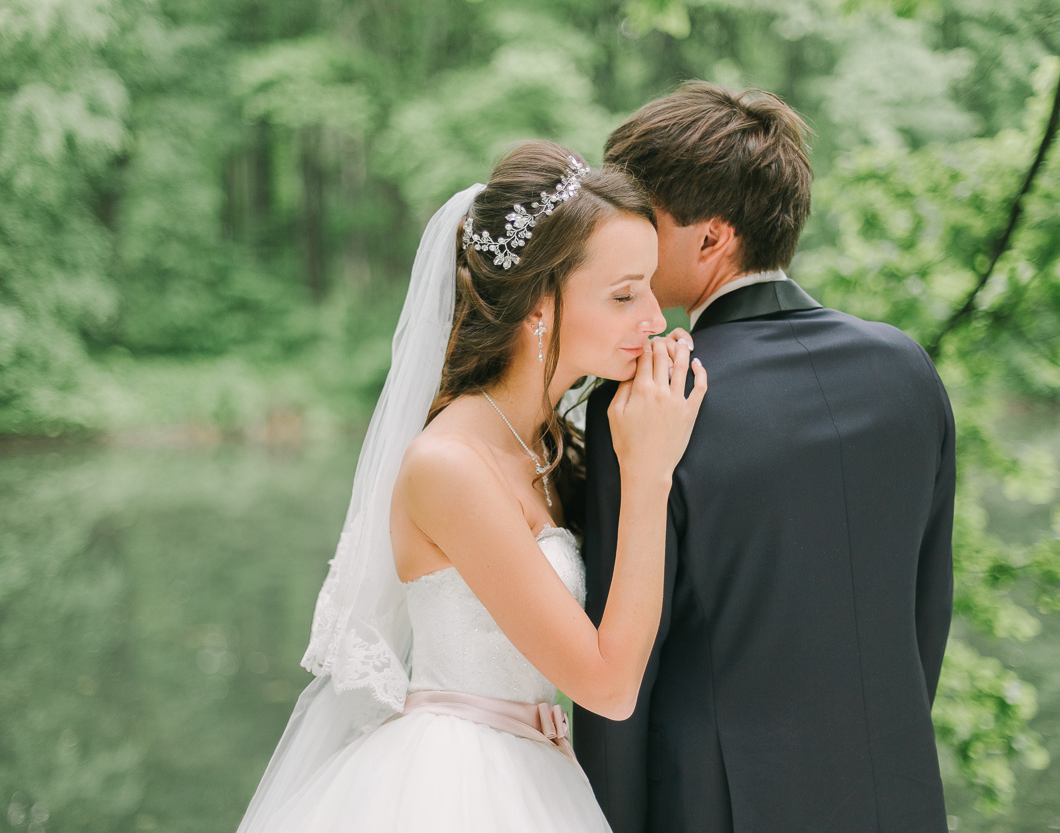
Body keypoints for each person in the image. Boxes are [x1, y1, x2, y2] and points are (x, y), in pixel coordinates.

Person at [235, 140, 706, 833]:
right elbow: (607, 685)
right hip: (455, 786)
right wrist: (649, 475)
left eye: (651, 288)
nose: (655, 320)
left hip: (540, 771)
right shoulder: (449, 465)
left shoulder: (546, 443)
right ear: (539, 304)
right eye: (623, 294)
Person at [574, 81, 957, 833]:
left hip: (712, 808)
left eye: (642, 223)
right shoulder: (908, 368)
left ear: (711, 238)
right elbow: (925, 617)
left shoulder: (654, 394)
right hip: (897, 796)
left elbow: (623, 672)